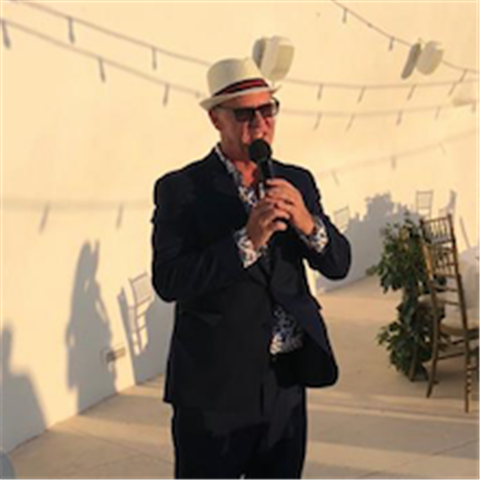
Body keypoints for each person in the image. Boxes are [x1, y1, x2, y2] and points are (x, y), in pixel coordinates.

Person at [151, 57, 351, 480]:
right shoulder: (181, 189)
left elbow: (338, 264)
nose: (260, 124)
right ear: (216, 119)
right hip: (215, 388)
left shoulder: (296, 180)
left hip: (286, 381)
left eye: (268, 110)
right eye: (245, 114)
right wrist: (246, 242)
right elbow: (169, 281)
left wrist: (307, 223)